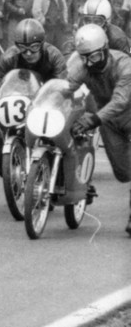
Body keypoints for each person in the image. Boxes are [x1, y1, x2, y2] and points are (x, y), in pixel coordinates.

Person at [65, 24, 131, 235]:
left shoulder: (125, 65)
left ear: (105, 50)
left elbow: (120, 101)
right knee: (123, 173)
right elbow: (64, 88)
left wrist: (93, 119)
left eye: (93, 57)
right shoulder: (83, 67)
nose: (89, 63)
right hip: (109, 122)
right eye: (84, 57)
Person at [0, 19, 67, 174]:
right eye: (23, 48)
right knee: (0, 162)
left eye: (34, 47)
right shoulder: (7, 59)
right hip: (19, 101)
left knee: (56, 142)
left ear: (42, 44)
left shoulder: (54, 57)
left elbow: (62, 88)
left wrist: (54, 107)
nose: (28, 53)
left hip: (47, 102)